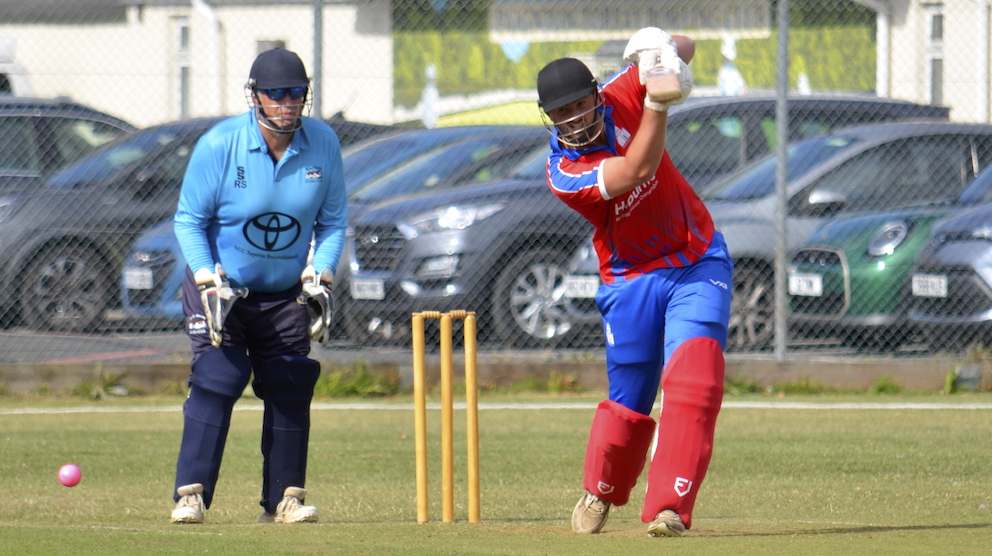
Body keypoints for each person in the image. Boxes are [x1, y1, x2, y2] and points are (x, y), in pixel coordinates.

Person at [536, 27, 733, 537]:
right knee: (630, 398)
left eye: (579, 105)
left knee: (696, 380)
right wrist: (661, 105)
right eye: (560, 114)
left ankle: (670, 507)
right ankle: (601, 489)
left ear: (598, 94)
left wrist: (662, 51)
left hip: (695, 258)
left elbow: (688, 45)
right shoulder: (564, 170)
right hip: (629, 278)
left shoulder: (625, 90)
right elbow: (639, 169)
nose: (572, 120)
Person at [169, 48, 347, 525]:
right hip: (223, 286)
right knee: (218, 378)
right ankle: (191, 495)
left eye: (296, 94)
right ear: (256, 97)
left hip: (286, 289)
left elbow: (332, 222)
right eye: (276, 95)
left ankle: (284, 499)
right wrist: (207, 277)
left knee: (290, 382)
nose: (287, 104)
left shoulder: (323, 143)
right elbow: (188, 221)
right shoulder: (219, 144)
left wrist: (321, 274)